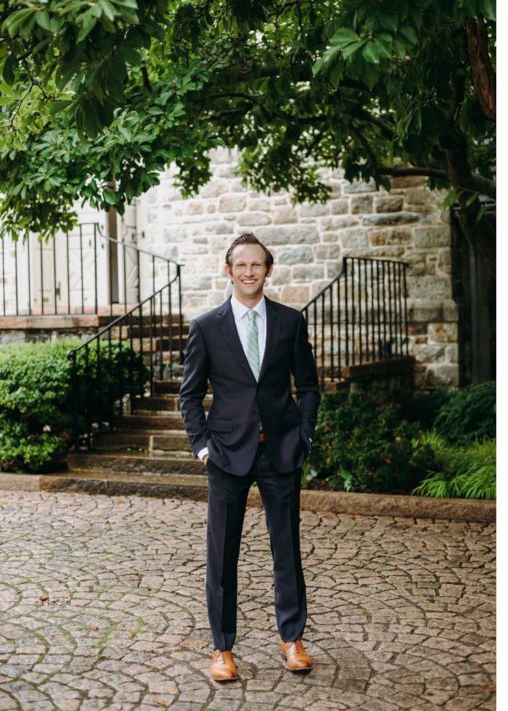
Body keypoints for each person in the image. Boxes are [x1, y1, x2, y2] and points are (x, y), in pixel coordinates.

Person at [179, 232, 320, 681]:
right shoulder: (206, 327)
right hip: (226, 454)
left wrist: (304, 437)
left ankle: (292, 639)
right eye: (240, 265)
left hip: (280, 452)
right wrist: (201, 445)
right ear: (228, 270)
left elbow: (310, 386)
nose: (248, 271)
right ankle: (223, 649)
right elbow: (190, 395)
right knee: (222, 554)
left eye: (256, 265)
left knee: (287, 550)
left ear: (268, 269)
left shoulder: (290, 322)